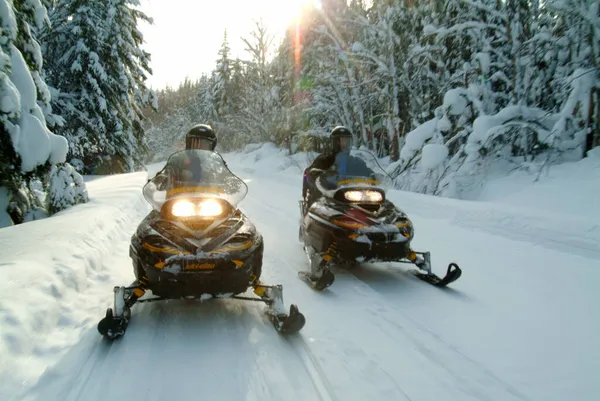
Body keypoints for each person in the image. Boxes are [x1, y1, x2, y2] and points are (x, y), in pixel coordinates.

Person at [301, 126, 354, 213]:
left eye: (347, 141)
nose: (344, 144)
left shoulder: (354, 161)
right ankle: (311, 220)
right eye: (341, 141)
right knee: (318, 207)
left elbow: (366, 171)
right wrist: (315, 174)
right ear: (334, 143)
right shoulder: (324, 159)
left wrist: (374, 176)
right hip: (325, 198)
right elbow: (309, 173)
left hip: (348, 196)